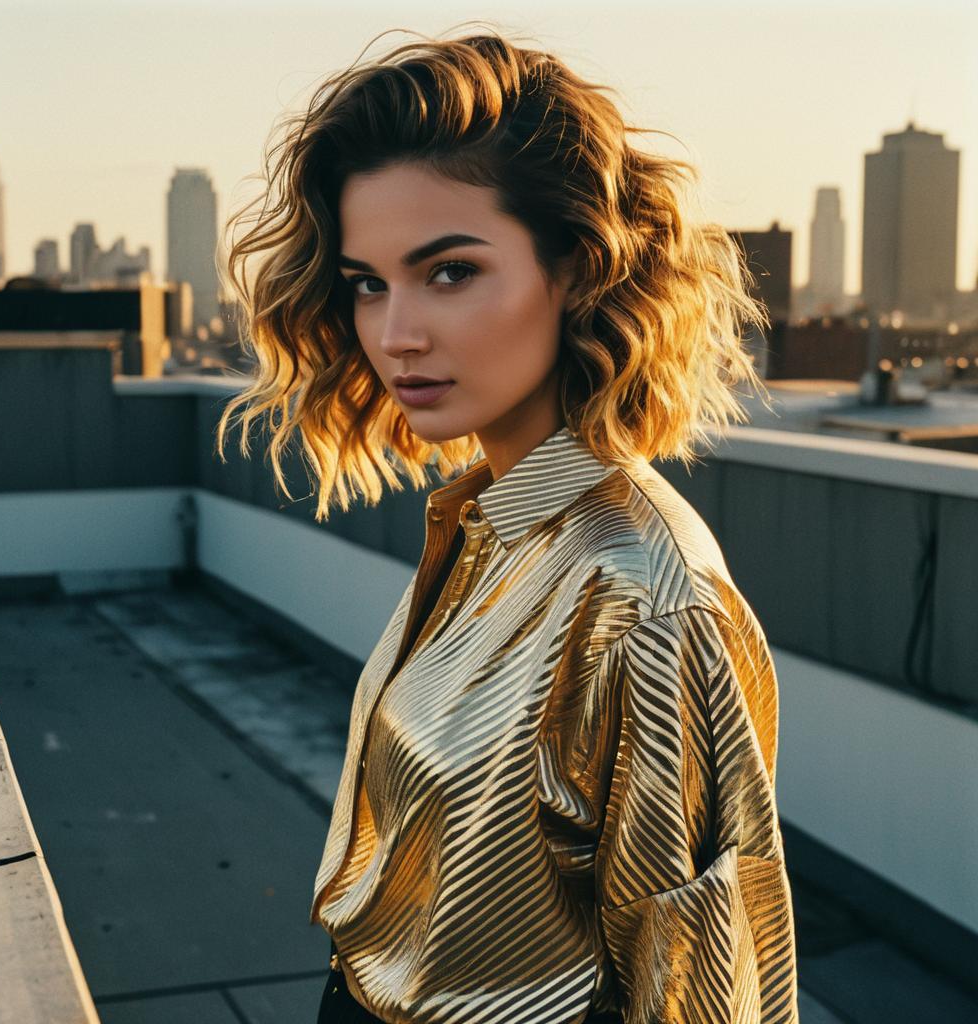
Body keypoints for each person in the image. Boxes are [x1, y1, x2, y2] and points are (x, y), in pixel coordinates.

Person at [214, 24, 798, 1024]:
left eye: (448, 272)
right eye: (368, 282)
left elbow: (703, 986)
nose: (395, 333)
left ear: (573, 269)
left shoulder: (644, 594)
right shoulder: (487, 520)